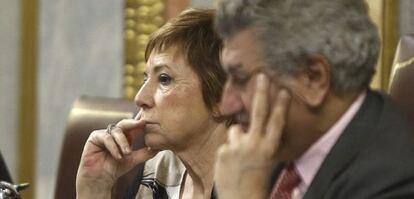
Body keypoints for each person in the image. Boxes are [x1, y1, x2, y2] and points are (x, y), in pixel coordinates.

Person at [213, 0, 414, 198]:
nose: (226, 105)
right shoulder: (259, 157)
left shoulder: (394, 182)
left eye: (240, 79)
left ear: (313, 78)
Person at [76, 9, 227, 199]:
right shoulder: (157, 173)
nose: (140, 97)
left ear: (221, 98)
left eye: (164, 79)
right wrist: (94, 189)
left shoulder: (258, 185)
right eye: (146, 78)